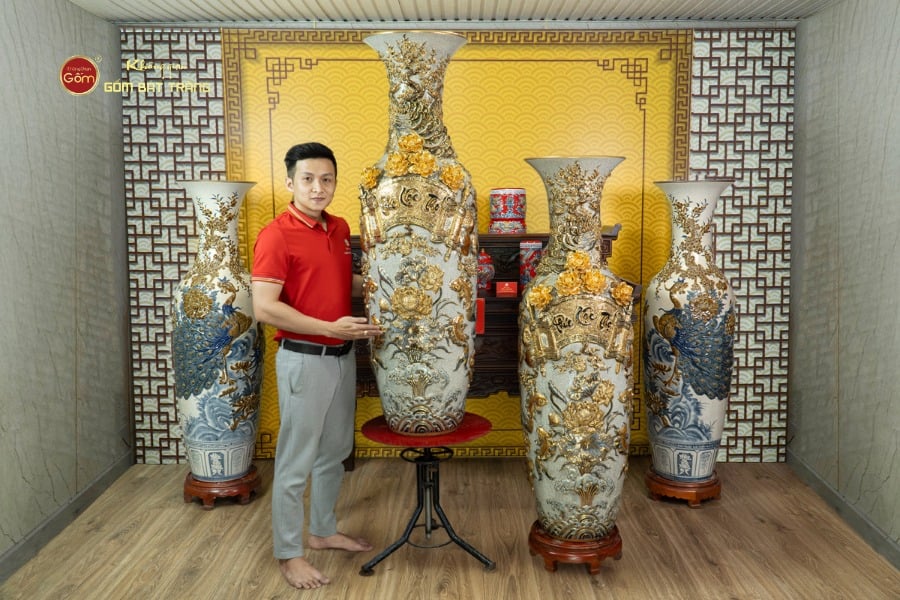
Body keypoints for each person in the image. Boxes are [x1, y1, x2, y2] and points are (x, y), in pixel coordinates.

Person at [251, 142, 381, 589]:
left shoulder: (339, 228)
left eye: (326, 179)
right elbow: (264, 307)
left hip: (342, 356)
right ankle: (289, 554)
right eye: (307, 179)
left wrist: (389, 284)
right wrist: (329, 328)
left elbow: (342, 282)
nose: (317, 187)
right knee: (295, 462)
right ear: (291, 182)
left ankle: (323, 531)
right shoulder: (276, 235)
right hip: (304, 360)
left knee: (334, 452)